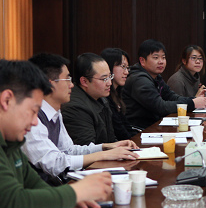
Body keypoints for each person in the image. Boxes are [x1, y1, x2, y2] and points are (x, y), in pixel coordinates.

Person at [0, 58, 112, 208]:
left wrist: (70, 201)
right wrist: (75, 192)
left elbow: (34, 185)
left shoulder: (10, 140)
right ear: (6, 100)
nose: (36, 122)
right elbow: (12, 205)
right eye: (33, 111)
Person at [22, 53, 137, 182]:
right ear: (50, 85)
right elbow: (54, 163)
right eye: (67, 80)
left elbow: (68, 150)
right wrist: (103, 155)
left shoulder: (55, 112)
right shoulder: (32, 119)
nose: (71, 85)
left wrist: (105, 147)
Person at [123, 39, 206, 130]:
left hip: (153, 128)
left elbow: (171, 96)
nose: (161, 61)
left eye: (163, 57)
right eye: (156, 57)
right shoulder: (139, 80)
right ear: (142, 61)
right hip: (139, 130)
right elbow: (160, 107)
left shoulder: (156, 77)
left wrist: (194, 99)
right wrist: (192, 103)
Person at [62, 53, 118, 146]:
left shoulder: (101, 97)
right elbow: (87, 149)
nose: (110, 83)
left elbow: (111, 139)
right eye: (104, 79)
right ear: (84, 81)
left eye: (110, 76)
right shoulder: (75, 108)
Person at [100, 48, 138, 140]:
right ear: (108, 67)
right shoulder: (104, 96)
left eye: (127, 68)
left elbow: (125, 125)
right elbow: (119, 132)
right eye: (123, 66)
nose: (126, 72)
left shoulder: (118, 92)